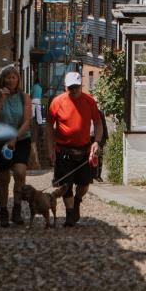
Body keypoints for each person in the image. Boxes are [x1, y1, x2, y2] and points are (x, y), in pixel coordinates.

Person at [46, 71, 102, 227]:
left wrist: (96, 142)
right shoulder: (57, 102)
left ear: (81, 86)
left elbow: (97, 123)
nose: (74, 90)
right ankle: (70, 214)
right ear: (65, 87)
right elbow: (49, 126)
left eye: (76, 87)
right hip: (63, 150)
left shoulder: (89, 101)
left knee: (84, 183)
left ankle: (77, 202)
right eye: (71, 87)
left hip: (84, 149)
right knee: (66, 184)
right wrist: (50, 148)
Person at [0, 65, 31, 227]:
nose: (11, 80)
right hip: (0, 140)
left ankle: (17, 208)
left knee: (20, 173)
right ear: (3, 80)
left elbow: (27, 121)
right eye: (8, 77)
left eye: (14, 77)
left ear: (18, 80)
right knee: (3, 178)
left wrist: (15, 137)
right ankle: (4, 210)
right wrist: (1, 101)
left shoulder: (24, 97)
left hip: (20, 139)